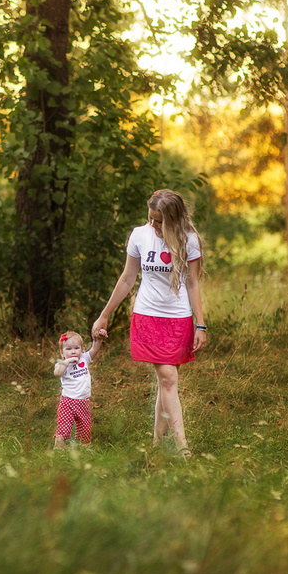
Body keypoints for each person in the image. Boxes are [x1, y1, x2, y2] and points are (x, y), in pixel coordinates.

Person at [91, 189, 207, 458]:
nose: (153, 225)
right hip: (148, 316)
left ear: (173, 220)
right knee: (168, 378)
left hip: (178, 319)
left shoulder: (189, 241)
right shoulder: (139, 235)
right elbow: (127, 279)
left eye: (159, 221)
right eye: (150, 219)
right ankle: (182, 445)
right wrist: (104, 314)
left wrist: (200, 324)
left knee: (166, 382)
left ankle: (156, 443)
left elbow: (192, 283)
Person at [52, 330, 103, 449]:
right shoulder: (62, 364)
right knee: (64, 427)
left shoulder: (84, 358)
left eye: (76, 348)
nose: (73, 351)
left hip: (83, 401)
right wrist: (67, 362)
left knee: (85, 427)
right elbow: (57, 374)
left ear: (82, 349)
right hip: (67, 402)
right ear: (62, 353)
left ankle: (84, 448)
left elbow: (94, 349)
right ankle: (58, 449)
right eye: (68, 349)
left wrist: (99, 339)